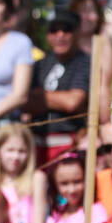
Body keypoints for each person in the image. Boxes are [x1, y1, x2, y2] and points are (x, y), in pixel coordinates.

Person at [25, 10, 90, 164]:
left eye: (66, 29)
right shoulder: (40, 64)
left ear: (77, 33)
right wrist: (60, 99)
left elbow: (73, 102)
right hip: (37, 143)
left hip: (70, 143)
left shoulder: (85, 63)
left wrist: (40, 96)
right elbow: (25, 102)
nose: (60, 35)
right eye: (53, 30)